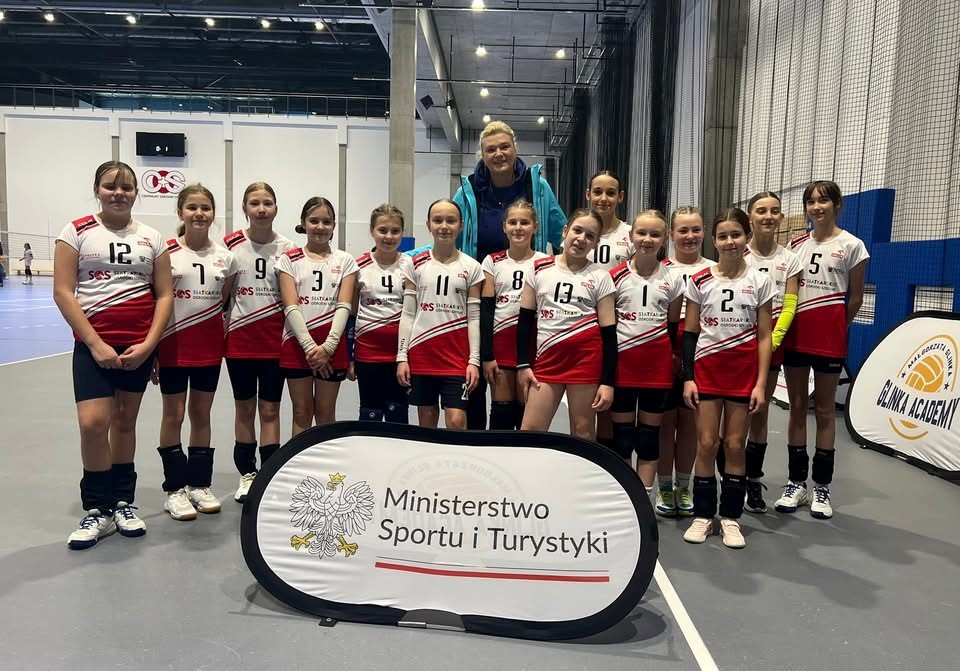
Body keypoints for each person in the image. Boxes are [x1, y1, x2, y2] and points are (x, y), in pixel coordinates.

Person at [410, 121, 566, 431]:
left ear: (515, 148)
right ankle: (477, 444)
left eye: (504, 147)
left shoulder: (537, 186)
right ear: (482, 154)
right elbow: (448, 229)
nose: (498, 154)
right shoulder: (468, 189)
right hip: (477, 292)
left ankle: (518, 448)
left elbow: (560, 232)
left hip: (524, 299)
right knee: (476, 378)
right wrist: (406, 256)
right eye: (490, 149)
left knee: (520, 384)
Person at [54, 160, 173, 549]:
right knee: (93, 424)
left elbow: (164, 295)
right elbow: (63, 292)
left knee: (124, 422)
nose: (118, 193)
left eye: (126, 187)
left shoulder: (152, 238)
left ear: (137, 192)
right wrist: (95, 343)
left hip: (137, 346)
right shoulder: (75, 232)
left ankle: (122, 502)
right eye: (110, 186)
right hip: (93, 345)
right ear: (97, 190)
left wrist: (150, 345)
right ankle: (97, 507)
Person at [681, 208, 774, 549]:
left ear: (747, 237)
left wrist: (761, 384)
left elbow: (764, 335)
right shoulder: (699, 280)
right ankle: (703, 515)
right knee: (707, 443)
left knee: (735, 445)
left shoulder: (760, 280)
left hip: (742, 375)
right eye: (723, 236)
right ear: (714, 240)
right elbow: (690, 332)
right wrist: (688, 377)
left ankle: (731, 517)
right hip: (707, 372)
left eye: (736, 234)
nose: (730, 242)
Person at [777, 180, 869, 519]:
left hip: (829, 340)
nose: (817, 207)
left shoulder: (853, 246)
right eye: (811, 202)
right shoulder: (795, 244)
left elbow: (855, 299)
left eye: (824, 201)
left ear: (837, 205)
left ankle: (822, 487)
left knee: (826, 412)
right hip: (796, 336)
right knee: (797, 407)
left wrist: (834, 327)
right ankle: (796, 483)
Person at [154, 184, 237, 521]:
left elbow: (223, 301)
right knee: (173, 415)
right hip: (173, 346)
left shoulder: (226, 258)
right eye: (192, 207)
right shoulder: (165, 252)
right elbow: (156, 300)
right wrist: (153, 349)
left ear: (213, 213)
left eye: (205, 208)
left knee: (202, 414)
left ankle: (200, 484)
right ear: (180, 212)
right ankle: (175, 489)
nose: (199, 214)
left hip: (208, 349)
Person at [223, 182, 296, 502]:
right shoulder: (230, 245)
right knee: (244, 408)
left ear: (276, 208)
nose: (262, 209)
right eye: (255, 203)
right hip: (239, 341)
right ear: (245, 208)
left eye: (267, 203)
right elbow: (222, 297)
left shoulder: (289, 249)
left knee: (270, 409)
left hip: (275, 342)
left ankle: (268, 472)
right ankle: (247, 473)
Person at [517, 209, 617, 441]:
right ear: (565, 231)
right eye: (577, 230)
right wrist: (523, 364)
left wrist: (608, 382)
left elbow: (609, 335)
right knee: (530, 431)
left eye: (590, 236)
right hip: (547, 360)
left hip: (585, 362)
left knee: (583, 432)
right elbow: (524, 322)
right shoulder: (539, 269)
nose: (582, 239)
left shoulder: (601, 277)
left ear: (596, 243)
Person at [735, 191, 802, 513]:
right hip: (737, 340)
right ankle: (732, 478)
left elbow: (789, 305)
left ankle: (753, 480)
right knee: (734, 415)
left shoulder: (790, 259)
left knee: (759, 412)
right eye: (761, 210)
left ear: (781, 217)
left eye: (774, 211)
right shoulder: (738, 252)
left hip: (769, 342)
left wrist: (772, 342)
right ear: (750, 217)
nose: (768, 216)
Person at [610, 211, 684, 492]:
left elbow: (672, 326)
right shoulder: (615, 277)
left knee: (648, 436)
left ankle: (643, 497)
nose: (647, 239)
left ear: (665, 239)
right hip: (622, 366)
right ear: (631, 236)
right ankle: (624, 495)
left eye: (655, 234)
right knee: (622, 437)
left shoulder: (673, 279)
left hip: (657, 368)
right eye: (641, 233)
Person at [397, 199, 483, 430]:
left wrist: (474, 361)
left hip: (456, 357)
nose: (444, 226)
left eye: (451, 221)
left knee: (456, 421)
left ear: (461, 225)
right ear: (428, 225)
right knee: (426, 419)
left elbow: (474, 318)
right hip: (422, 354)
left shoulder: (472, 267)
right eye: (438, 220)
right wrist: (402, 357)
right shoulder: (414, 265)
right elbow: (408, 314)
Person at [277, 197, 358, 436]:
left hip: (332, 346)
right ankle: (299, 461)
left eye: (326, 222)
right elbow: (290, 306)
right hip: (297, 345)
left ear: (334, 225)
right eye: (314, 221)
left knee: (325, 413)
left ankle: (326, 461)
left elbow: (344, 306)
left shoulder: (345, 261)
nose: (320, 227)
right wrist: (311, 348)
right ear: (303, 223)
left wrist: (328, 348)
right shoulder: (288, 259)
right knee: (301, 413)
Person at [657, 207, 714, 517]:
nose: (690, 236)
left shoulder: (714, 269)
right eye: (683, 230)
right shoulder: (661, 269)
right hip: (665, 350)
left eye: (695, 230)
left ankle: (684, 484)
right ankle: (665, 486)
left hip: (700, 352)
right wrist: (670, 353)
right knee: (666, 424)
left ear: (704, 233)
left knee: (690, 424)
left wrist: (691, 358)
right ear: (671, 235)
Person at [480, 199, 549, 429]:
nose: (518, 227)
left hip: (532, 345)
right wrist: (487, 355)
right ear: (504, 227)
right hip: (501, 344)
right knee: (501, 412)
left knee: (525, 410)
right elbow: (486, 311)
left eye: (525, 222)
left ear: (535, 227)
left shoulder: (545, 262)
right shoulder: (492, 261)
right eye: (513, 222)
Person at [351, 204, 413, 423]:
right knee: (370, 413)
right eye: (383, 230)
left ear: (402, 233)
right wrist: (349, 357)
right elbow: (351, 314)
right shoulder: (359, 266)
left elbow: (413, 314)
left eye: (395, 231)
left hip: (400, 355)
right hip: (367, 354)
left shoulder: (411, 266)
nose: (389, 236)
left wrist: (407, 355)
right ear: (372, 230)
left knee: (398, 415)